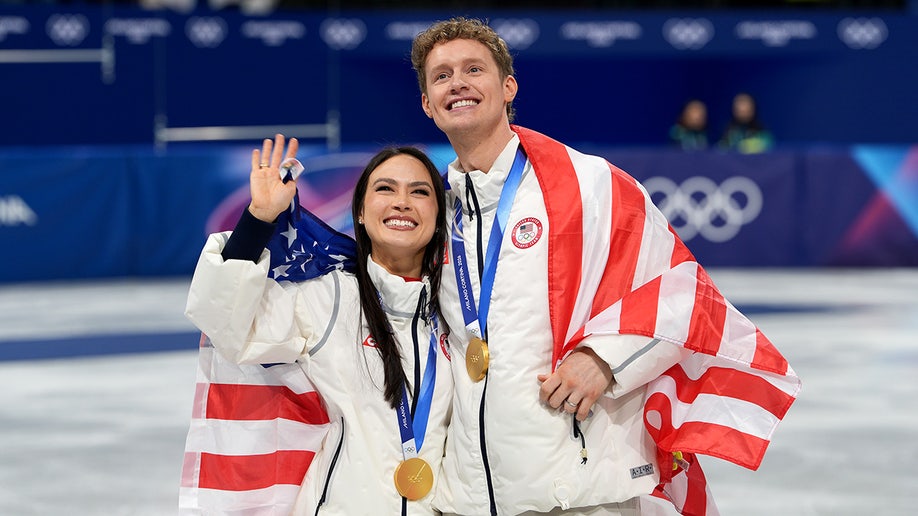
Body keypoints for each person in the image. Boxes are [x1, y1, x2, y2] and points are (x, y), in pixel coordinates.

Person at [410, 17, 800, 516]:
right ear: (427, 103)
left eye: (473, 69)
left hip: (583, 490)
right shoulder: (434, 213)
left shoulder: (590, 184)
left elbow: (681, 290)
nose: (458, 83)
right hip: (471, 496)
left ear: (508, 87)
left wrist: (605, 359)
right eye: (441, 76)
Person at [183, 134, 453, 515]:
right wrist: (258, 219)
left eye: (419, 192)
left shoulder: (459, 310)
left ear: (439, 216)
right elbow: (227, 323)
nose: (402, 202)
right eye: (385, 188)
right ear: (360, 212)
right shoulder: (331, 296)